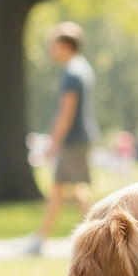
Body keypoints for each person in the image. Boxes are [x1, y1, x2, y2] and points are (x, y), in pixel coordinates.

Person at [24, 22, 100, 255]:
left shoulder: (72, 72)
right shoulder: (81, 68)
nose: (51, 49)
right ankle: (43, 238)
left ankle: (99, 238)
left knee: (64, 189)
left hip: (73, 140)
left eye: (53, 44)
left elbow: (66, 111)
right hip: (78, 138)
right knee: (71, 190)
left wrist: (53, 142)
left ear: (66, 45)